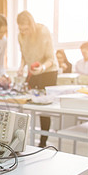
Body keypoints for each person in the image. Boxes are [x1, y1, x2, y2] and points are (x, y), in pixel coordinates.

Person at [17, 10, 58, 148]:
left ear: (32, 25)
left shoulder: (43, 31)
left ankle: (43, 142)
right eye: (21, 29)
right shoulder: (20, 36)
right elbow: (23, 54)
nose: (24, 32)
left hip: (48, 71)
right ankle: (22, 139)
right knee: (26, 102)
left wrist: (42, 68)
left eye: (26, 29)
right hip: (33, 72)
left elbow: (50, 58)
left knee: (44, 108)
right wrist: (21, 67)